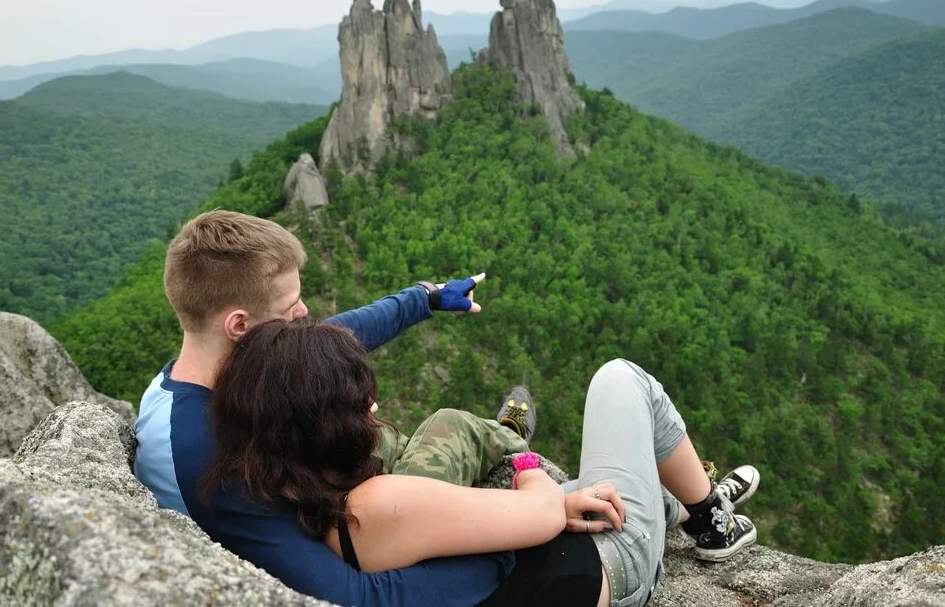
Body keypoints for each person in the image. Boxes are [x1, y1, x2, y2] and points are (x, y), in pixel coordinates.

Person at [133, 209, 542, 604]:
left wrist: (423, 299)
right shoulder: (207, 454)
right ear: (239, 326)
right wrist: (509, 554)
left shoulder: (192, 379)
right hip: (356, 539)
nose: (304, 312)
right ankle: (506, 438)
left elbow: (327, 344)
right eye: (289, 308)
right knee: (446, 427)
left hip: (328, 505)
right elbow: (351, 597)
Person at [204, 319, 760, 606]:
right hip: (613, 568)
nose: (372, 406)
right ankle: (709, 516)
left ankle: (681, 509)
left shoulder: (288, 497)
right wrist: (528, 466)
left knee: (608, 483)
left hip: (563, 560)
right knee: (621, 379)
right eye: (359, 400)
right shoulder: (378, 504)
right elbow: (543, 514)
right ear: (327, 424)